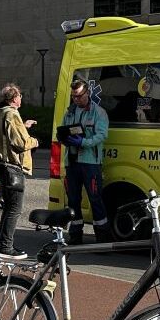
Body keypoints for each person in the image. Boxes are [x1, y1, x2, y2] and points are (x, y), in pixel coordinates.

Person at [0, 83, 38, 259]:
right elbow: (21, 143)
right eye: (20, 96)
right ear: (14, 98)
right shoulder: (12, 114)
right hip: (12, 167)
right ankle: (6, 247)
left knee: (8, 208)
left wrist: (23, 126)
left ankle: (5, 245)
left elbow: (5, 136)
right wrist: (35, 141)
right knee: (14, 209)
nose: (21, 98)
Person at [59, 79, 111, 244]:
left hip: (90, 163)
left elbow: (101, 136)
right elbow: (62, 131)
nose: (76, 99)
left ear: (88, 93)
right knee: (73, 200)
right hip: (72, 161)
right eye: (74, 96)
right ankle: (75, 235)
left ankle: (102, 236)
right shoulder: (70, 112)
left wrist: (83, 143)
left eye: (79, 96)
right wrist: (65, 139)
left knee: (95, 199)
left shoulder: (99, 112)